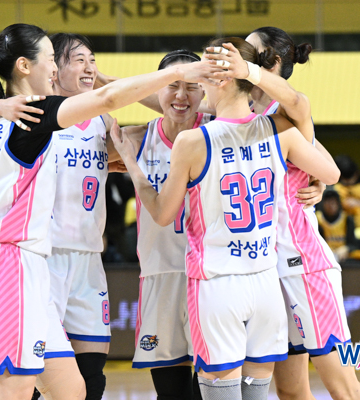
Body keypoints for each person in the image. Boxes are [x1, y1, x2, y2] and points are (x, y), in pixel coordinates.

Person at [0, 23, 222, 400]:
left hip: (34, 261)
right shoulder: (37, 112)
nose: (54, 67)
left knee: (75, 390)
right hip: (8, 263)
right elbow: (109, 97)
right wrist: (178, 72)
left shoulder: (2, 114)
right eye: (53, 59)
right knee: (14, 390)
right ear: (25, 66)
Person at [112, 37, 340, 400]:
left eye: (201, 76)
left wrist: (133, 165)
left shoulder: (193, 142)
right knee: (256, 393)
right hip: (264, 284)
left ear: (218, 80)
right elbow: (331, 173)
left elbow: (162, 213)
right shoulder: (278, 129)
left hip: (217, 285)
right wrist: (316, 184)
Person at [208, 27, 360, 400]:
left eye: (249, 50)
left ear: (270, 61)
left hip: (303, 264)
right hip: (266, 272)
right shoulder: (244, 113)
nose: (240, 55)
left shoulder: (286, 109)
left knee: (344, 388)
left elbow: (302, 109)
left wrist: (324, 182)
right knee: (290, 391)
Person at [115, 50, 213, 400]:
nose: (181, 95)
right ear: (157, 89)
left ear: (205, 92)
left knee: (213, 392)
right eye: (172, 85)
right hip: (160, 275)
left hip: (210, 278)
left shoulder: (219, 134)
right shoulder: (136, 138)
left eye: (192, 86)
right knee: (171, 394)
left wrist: (318, 180)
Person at [316, 190, 360, 261]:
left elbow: (353, 243)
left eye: (333, 202)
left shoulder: (347, 219)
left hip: (343, 255)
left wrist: (346, 248)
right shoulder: (317, 219)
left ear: (338, 203)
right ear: (322, 204)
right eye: (328, 202)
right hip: (323, 254)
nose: (331, 205)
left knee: (359, 254)